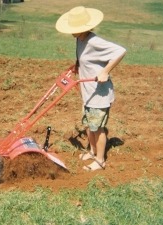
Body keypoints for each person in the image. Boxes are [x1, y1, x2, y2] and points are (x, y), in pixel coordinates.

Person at [55, 6, 126, 171]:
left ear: (84, 27)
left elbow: (121, 51)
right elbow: (85, 59)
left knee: (97, 128)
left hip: (99, 94)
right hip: (87, 92)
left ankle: (100, 160)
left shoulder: (94, 41)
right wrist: (76, 67)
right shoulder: (79, 39)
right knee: (88, 125)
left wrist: (105, 71)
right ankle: (93, 151)